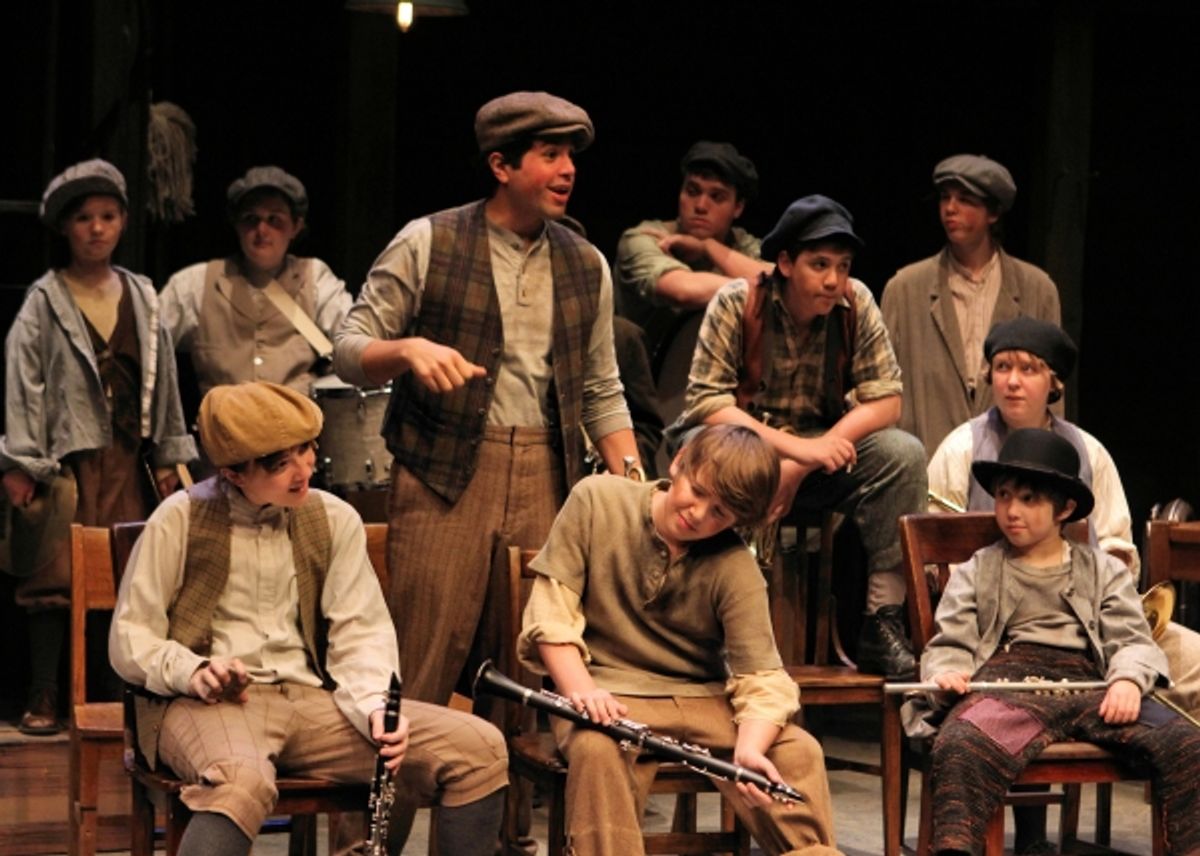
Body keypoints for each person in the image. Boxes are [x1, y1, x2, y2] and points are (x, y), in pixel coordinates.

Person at [333, 90, 640, 708]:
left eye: (571, 156)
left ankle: (502, 808)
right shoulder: (430, 241)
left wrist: (633, 485)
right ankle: (389, 804)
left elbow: (602, 391)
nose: (567, 170)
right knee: (422, 660)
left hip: (545, 477)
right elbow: (348, 345)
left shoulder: (586, 264)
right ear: (502, 166)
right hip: (445, 474)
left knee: (527, 670)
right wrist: (408, 350)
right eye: (549, 154)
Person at [109, 382, 508, 856]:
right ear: (235, 473)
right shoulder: (181, 519)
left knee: (478, 748)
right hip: (209, 706)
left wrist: (376, 706)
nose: (305, 470)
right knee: (241, 782)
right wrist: (193, 670)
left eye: (306, 450)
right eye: (282, 464)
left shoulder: (332, 518)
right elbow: (131, 639)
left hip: (309, 702)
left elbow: (360, 631)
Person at [925, 316, 1200, 854]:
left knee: (1184, 741)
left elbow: (1131, 638)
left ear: (1065, 508)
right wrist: (946, 671)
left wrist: (1125, 680)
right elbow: (950, 638)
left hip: (1088, 682)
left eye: (1029, 500)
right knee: (960, 742)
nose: (1011, 510)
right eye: (1004, 496)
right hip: (1009, 681)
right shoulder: (983, 566)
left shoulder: (1097, 568)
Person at [518, 424, 842, 855]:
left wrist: (748, 749)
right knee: (597, 750)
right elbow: (551, 615)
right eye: (698, 490)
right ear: (680, 460)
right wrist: (582, 691)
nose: (699, 514)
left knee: (798, 751)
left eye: (721, 514)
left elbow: (762, 675)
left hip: (700, 701)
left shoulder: (733, 565)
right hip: (605, 693)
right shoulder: (597, 499)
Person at [667, 194, 926, 680]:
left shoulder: (854, 302)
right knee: (709, 443)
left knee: (901, 454)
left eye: (843, 266)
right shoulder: (738, 300)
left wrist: (800, 464)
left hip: (815, 460)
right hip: (738, 454)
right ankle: (708, 622)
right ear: (784, 263)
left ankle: (881, 620)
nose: (833, 280)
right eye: (820, 264)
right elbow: (706, 404)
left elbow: (888, 401)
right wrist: (789, 453)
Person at [0, 159, 196, 735]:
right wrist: (21, 461)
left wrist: (168, 454)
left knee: (126, 571)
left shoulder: (143, 296)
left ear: (124, 222)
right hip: (65, 464)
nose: (96, 228)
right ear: (65, 227)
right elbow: (24, 382)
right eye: (83, 218)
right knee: (54, 577)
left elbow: (164, 382)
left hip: (125, 460)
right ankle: (45, 692)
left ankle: (117, 691)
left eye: (107, 216)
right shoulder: (45, 300)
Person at [881, 154, 1061, 456]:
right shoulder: (905, 289)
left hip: (1010, 474)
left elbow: (1053, 396)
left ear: (993, 213)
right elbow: (881, 391)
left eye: (965, 199)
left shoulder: (1036, 290)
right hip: (927, 468)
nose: (951, 209)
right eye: (945, 198)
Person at [160, 165, 352, 398]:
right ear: (236, 225)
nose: (262, 230)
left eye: (275, 219)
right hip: (223, 428)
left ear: (296, 226)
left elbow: (352, 341)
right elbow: (151, 347)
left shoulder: (315, 279)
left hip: (294, 426)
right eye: (251, 219)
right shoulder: (196, 283)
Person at [615, 140, 771, 358]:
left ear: (737, 207)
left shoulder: (741, 244)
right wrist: (763, 289)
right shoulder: (644, 239)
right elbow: (683, 291)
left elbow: (785, 280)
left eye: (716, 196)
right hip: (645, 382)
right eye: (692, 191)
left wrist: (708, 247)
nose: (700, 206)